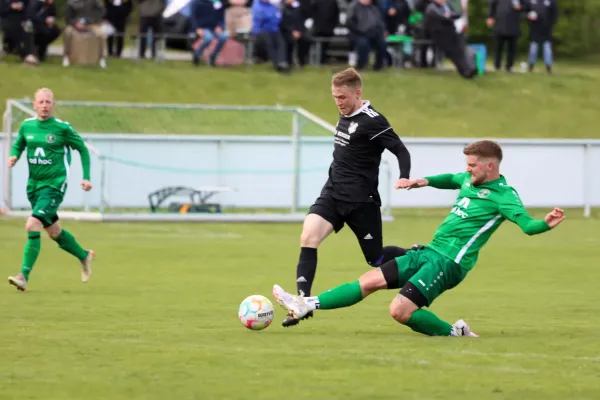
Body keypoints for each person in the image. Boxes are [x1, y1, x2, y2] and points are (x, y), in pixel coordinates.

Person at [274, 140, 565, 336]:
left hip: (450, 263)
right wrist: (422, 181)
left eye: (472, 165)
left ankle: (455, 332)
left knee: (399, 311)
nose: (467, 169)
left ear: (490, 166)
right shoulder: (467, 179)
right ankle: (307, 304)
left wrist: (545, 223)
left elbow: (527, 226)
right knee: (369, 280)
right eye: (466, 164)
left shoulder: (505, 197)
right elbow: (451, 178)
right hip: (429, 251)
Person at [282, 67, 413, 327]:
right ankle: (302, 303)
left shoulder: (373, 121)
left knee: (375, 258)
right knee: (308, 236)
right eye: (334, 97)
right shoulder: (343, 115)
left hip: (361, 201)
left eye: (342, 97)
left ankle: (419, 256)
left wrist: (404, 176)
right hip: (332, 193)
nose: (338, 103)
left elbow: (401, 150)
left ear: (357, 93)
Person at [6, 88, 95, 292]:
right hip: (34, 187)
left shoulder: (62, 129)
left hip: (54, 185)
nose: (44, 105)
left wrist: (87, 177)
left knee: (32, 224)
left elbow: (81, 148)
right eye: (41, 102)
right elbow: (19, 144)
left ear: (53, 105)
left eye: (48, 102)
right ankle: (84, 255)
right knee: (54, 232)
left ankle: (23, 276)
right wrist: (14, 155)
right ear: (34, 105)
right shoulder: (27, 126)